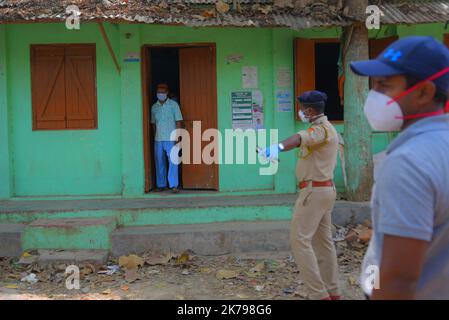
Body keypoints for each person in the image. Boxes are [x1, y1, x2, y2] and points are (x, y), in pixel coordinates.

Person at [350, 36, 449, 299]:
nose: (374, 96)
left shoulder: (407, 162)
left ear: (423, 93)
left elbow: (399, 279)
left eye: (384, 86)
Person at [263, 90, 341, 300]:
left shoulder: (321, 130)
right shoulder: (325, 129)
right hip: (322, 191)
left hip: (314, 193)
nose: (300, 112)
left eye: (302, 109)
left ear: (309, 110)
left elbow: (300, 138)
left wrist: (277, 147)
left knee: (299, 241)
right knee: (323, 244)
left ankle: (318, 295)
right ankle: (332, 292)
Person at [151, 83, 183, 193]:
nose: (160, 94)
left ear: (167, 93)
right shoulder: (154, 107)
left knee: (173, 162)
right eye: (159, 92)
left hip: (171, 137)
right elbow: (153, 124)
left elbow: (178, 120)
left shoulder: (174, 105)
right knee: (159, 162)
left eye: (163, 92)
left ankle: (174, 185)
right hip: (158, 138)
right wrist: (154, 135)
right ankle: (161, 185)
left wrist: (178, 136)